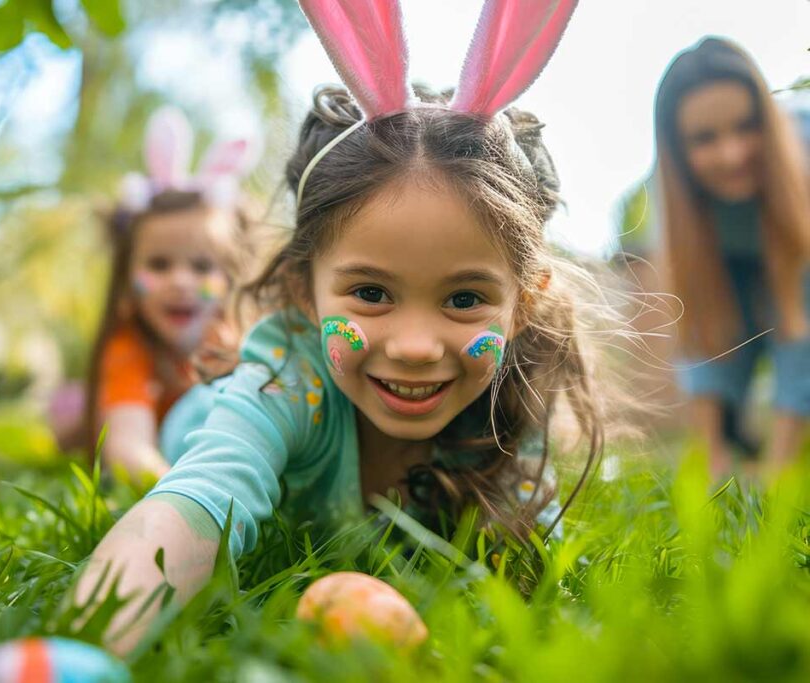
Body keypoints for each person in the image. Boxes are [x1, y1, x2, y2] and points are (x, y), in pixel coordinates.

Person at [75, 0, 615, 654]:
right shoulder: (286, 380)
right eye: (370, 292)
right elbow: (193, 505)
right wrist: (87, 652)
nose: (415, 347)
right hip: (197, 423)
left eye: (465, 298)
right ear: (304, 289)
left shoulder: (508, 404)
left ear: (524, 304)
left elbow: (533, 563)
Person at [652, 37, 810, 476]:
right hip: (735, 268)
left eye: (746, 127)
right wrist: (710, 467)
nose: (732, 154)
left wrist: (778, 477)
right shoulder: (671, 198)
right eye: (705, 138)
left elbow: (802, 333)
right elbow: (705, 332)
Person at [84, 106, 254, 486]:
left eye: (202, 267)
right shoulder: (128, 350)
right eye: (159, 265)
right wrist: (185, 493)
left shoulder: (241, 344)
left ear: (229, 277)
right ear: (127, 278)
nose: (181, 282)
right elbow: (129, 450)